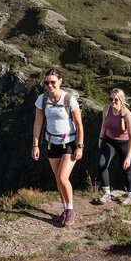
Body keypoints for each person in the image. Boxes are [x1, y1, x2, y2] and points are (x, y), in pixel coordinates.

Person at [31, 68, 84, 227]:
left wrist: (79, 146)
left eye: (53, 82)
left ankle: (70, 210)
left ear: (60, 81)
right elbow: (38, 123)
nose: (49, 85)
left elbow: (79, 125)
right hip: (51, 143)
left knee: (62, 177)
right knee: (58, 179)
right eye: (46, 82)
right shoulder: (42, 99)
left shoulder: (69, 99)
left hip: (69, 143)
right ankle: (65, 209)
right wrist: (35, 144)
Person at [97, 88, 131, 205]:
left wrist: (128, 157)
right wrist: (100, 139)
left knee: (126, 168)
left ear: (121, 100)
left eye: (116, 100)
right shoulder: (106, 110)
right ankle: (106, 193)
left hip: (124, 143)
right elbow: (104, 126)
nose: (113, 102)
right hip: (109, 140)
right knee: (101, 164)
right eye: (111, 99)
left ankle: (130, 195)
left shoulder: (127, 114)